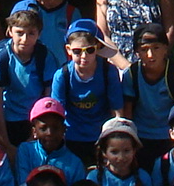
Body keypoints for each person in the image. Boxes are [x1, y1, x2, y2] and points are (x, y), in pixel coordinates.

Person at [52, 19, 126, 162]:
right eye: (77, 52)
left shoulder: (109, 71)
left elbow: (117, 110)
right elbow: (57, 113)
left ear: (98, 47)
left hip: (102, 136)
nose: (84, 57)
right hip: (71, 137)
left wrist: (117, 139)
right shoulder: (62, 75)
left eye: (90, 50)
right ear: (68, 50)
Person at [0, 2, 56, 146]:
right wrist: (5, 141)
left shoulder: (44, 56)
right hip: (7, 120)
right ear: (10, 31)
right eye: (20, 33)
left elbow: (48, 98)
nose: (25, 39)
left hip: (36, 119)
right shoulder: (3, 57)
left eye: (31, 33)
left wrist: (35, 134)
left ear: (39, 33)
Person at [122, 25, 174, 160]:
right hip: (139, 137)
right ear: (137, 52)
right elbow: (127, 110)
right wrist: (130, 138)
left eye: (156, 48)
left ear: (165, 49)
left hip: (169, 137)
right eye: (144, 50)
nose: (150, 55)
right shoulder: (131, 74)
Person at [14, 99, 85, 186]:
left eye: (55, 128)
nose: (50, 133)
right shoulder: (26, 151)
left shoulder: (75, 164)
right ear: (34, 131)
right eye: (43, 128)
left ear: (64, 129)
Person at [27, 0, 79, 65]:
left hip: (62, 68)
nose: (43, 2)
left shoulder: (71, 13)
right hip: (35, 69)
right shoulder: (30, 10)